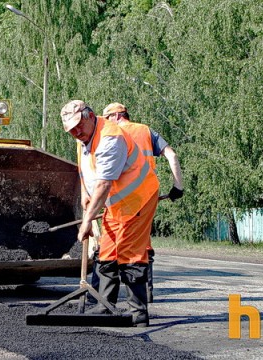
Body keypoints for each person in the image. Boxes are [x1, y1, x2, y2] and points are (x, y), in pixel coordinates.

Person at [60, 100, 160, 327]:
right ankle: (104, 306)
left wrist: (86, 222)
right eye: (70, 129)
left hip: (138, 199)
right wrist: (85, 192)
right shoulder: (82, 137)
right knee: (106, 251)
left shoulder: (110, 138)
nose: (75, 132)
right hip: (116, 203)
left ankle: (139, 314)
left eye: (78, 126)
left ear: (91, 116)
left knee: (129, 253)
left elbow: (104, 184)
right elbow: (85, 168)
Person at [101, 102, 184, 303]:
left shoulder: (111, 134)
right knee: (141, 244)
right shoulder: (146, 131)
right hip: (147, 197)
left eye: (105, 119)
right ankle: (144, 297)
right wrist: (177, 187)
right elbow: (171, 155)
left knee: (113, 246)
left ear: (115, 116)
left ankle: (105, 302)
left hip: (121, 199)